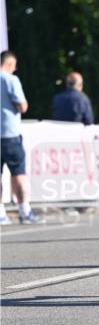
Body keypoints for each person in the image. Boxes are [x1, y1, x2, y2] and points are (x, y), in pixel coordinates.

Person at [0, 50, 42, 224]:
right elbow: (22, 106)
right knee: (19, 173)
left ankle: (1, 213)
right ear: (9, 63)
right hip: (9, 133)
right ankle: (24, 211)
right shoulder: (11, 79)